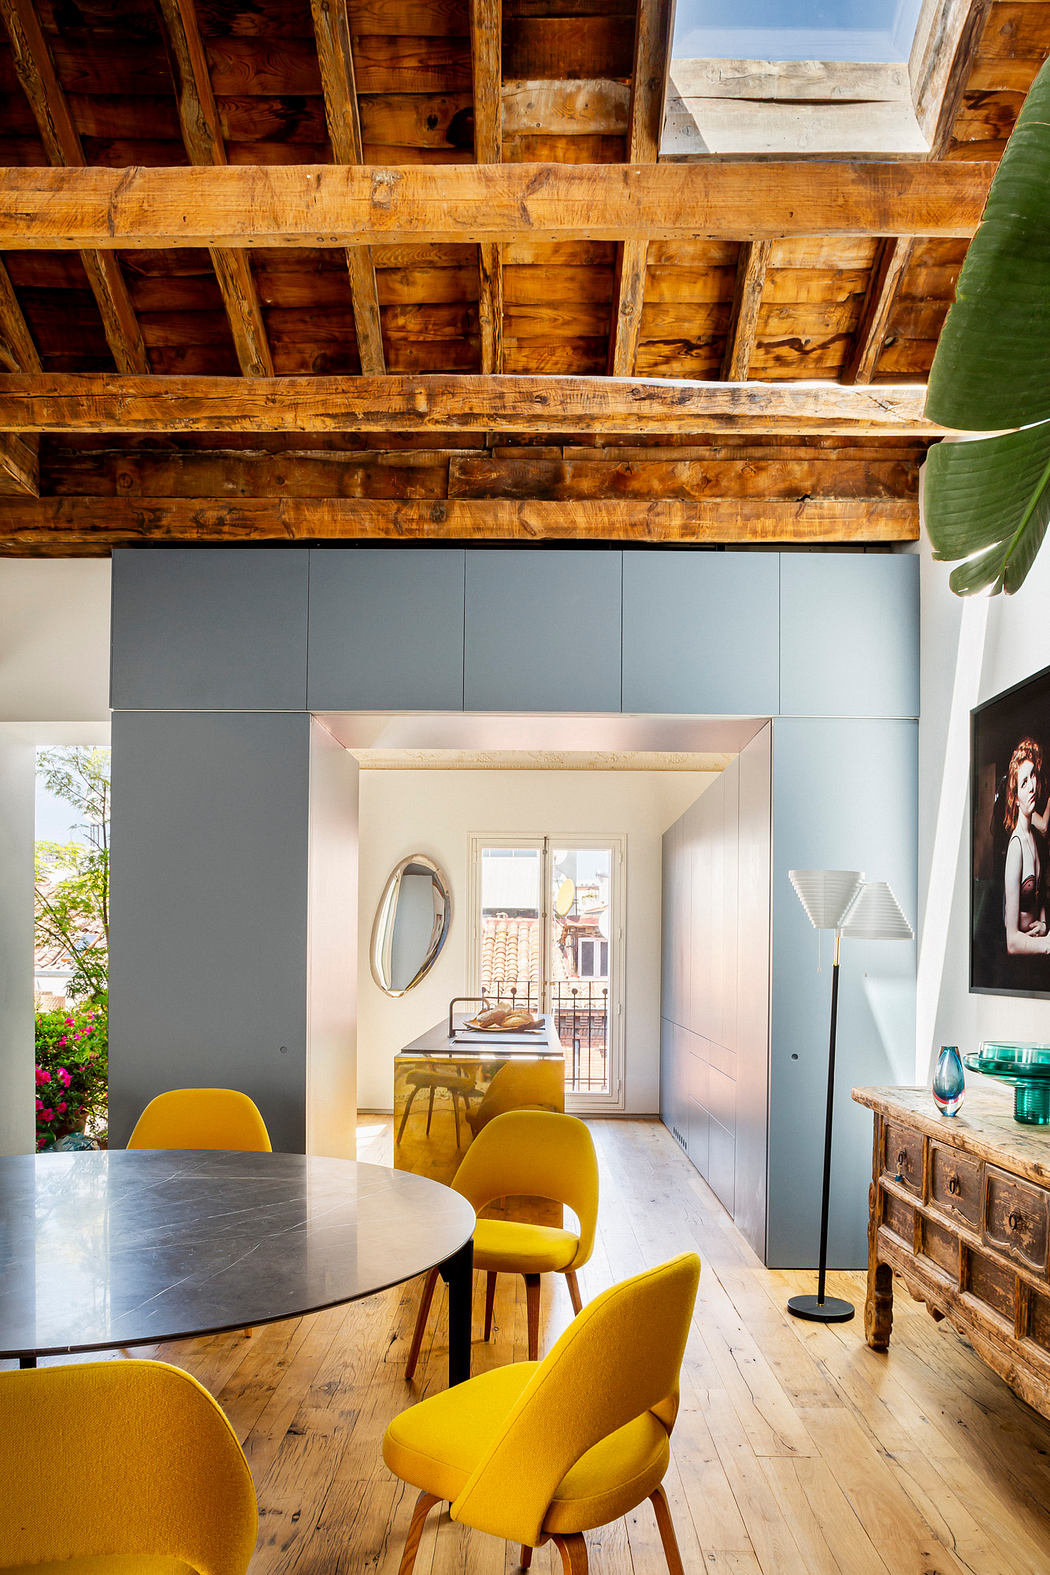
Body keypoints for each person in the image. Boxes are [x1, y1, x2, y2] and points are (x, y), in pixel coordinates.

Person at [1003, 737, 1050, 956]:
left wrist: (1042, 924)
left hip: (1036, 948)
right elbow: (1011, 942)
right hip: (1020, 959)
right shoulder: (1016, 846)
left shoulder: (1034, 836)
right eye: (1023, 782)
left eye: (1032, 776)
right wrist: (1047, 945)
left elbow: (1038, 899)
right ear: (1015, 798)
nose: (1031, 785)